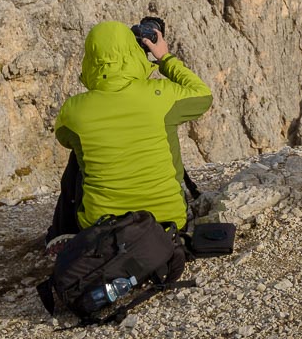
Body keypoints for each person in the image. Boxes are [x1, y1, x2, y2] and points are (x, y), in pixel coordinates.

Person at [46, 21, 213, 254]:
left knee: (80, 149)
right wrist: (165, 58)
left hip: (101, 227)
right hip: (169, 221)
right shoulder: (162, 97)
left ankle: (62, 232)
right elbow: (203, 95)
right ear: (134, 52)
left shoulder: (73, 111)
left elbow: (64, 138)